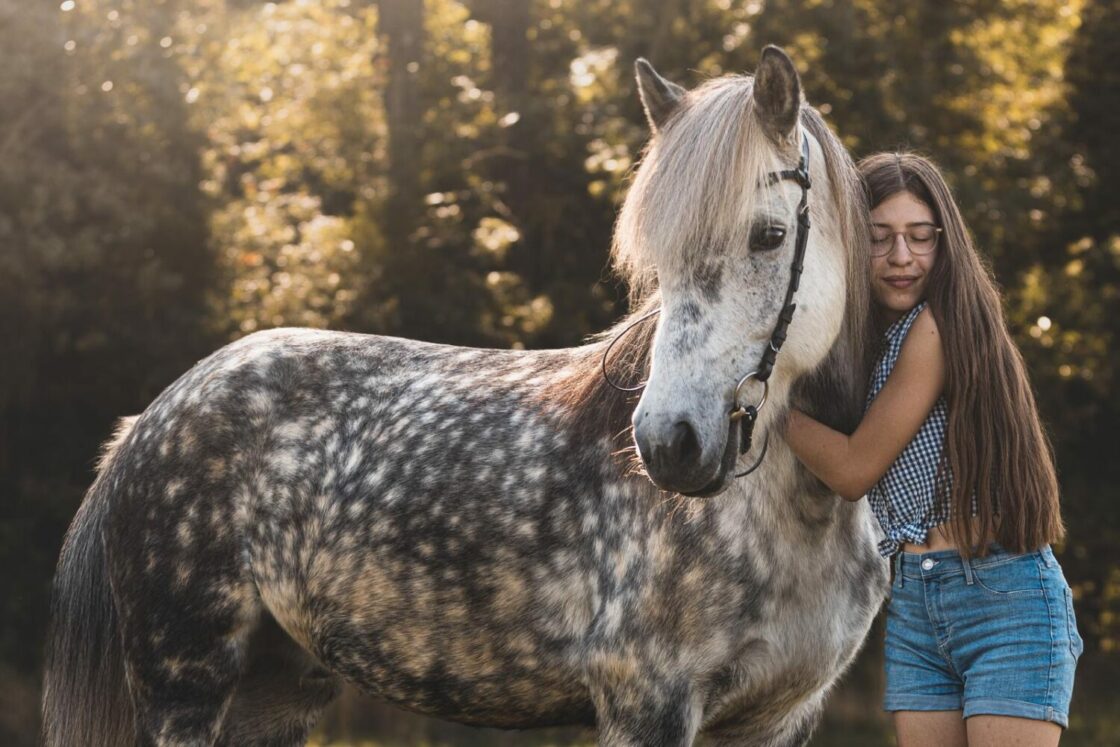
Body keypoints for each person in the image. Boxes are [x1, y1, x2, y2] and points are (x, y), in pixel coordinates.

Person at [782, 152, 1083, 747]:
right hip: (915, 600)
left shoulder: (939, 327)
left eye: (920, 237)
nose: (901, 257)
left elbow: (851, 468)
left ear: (944, 244)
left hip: (1005, 598)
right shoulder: (868, 342)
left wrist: (761, 406)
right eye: (879, 238)